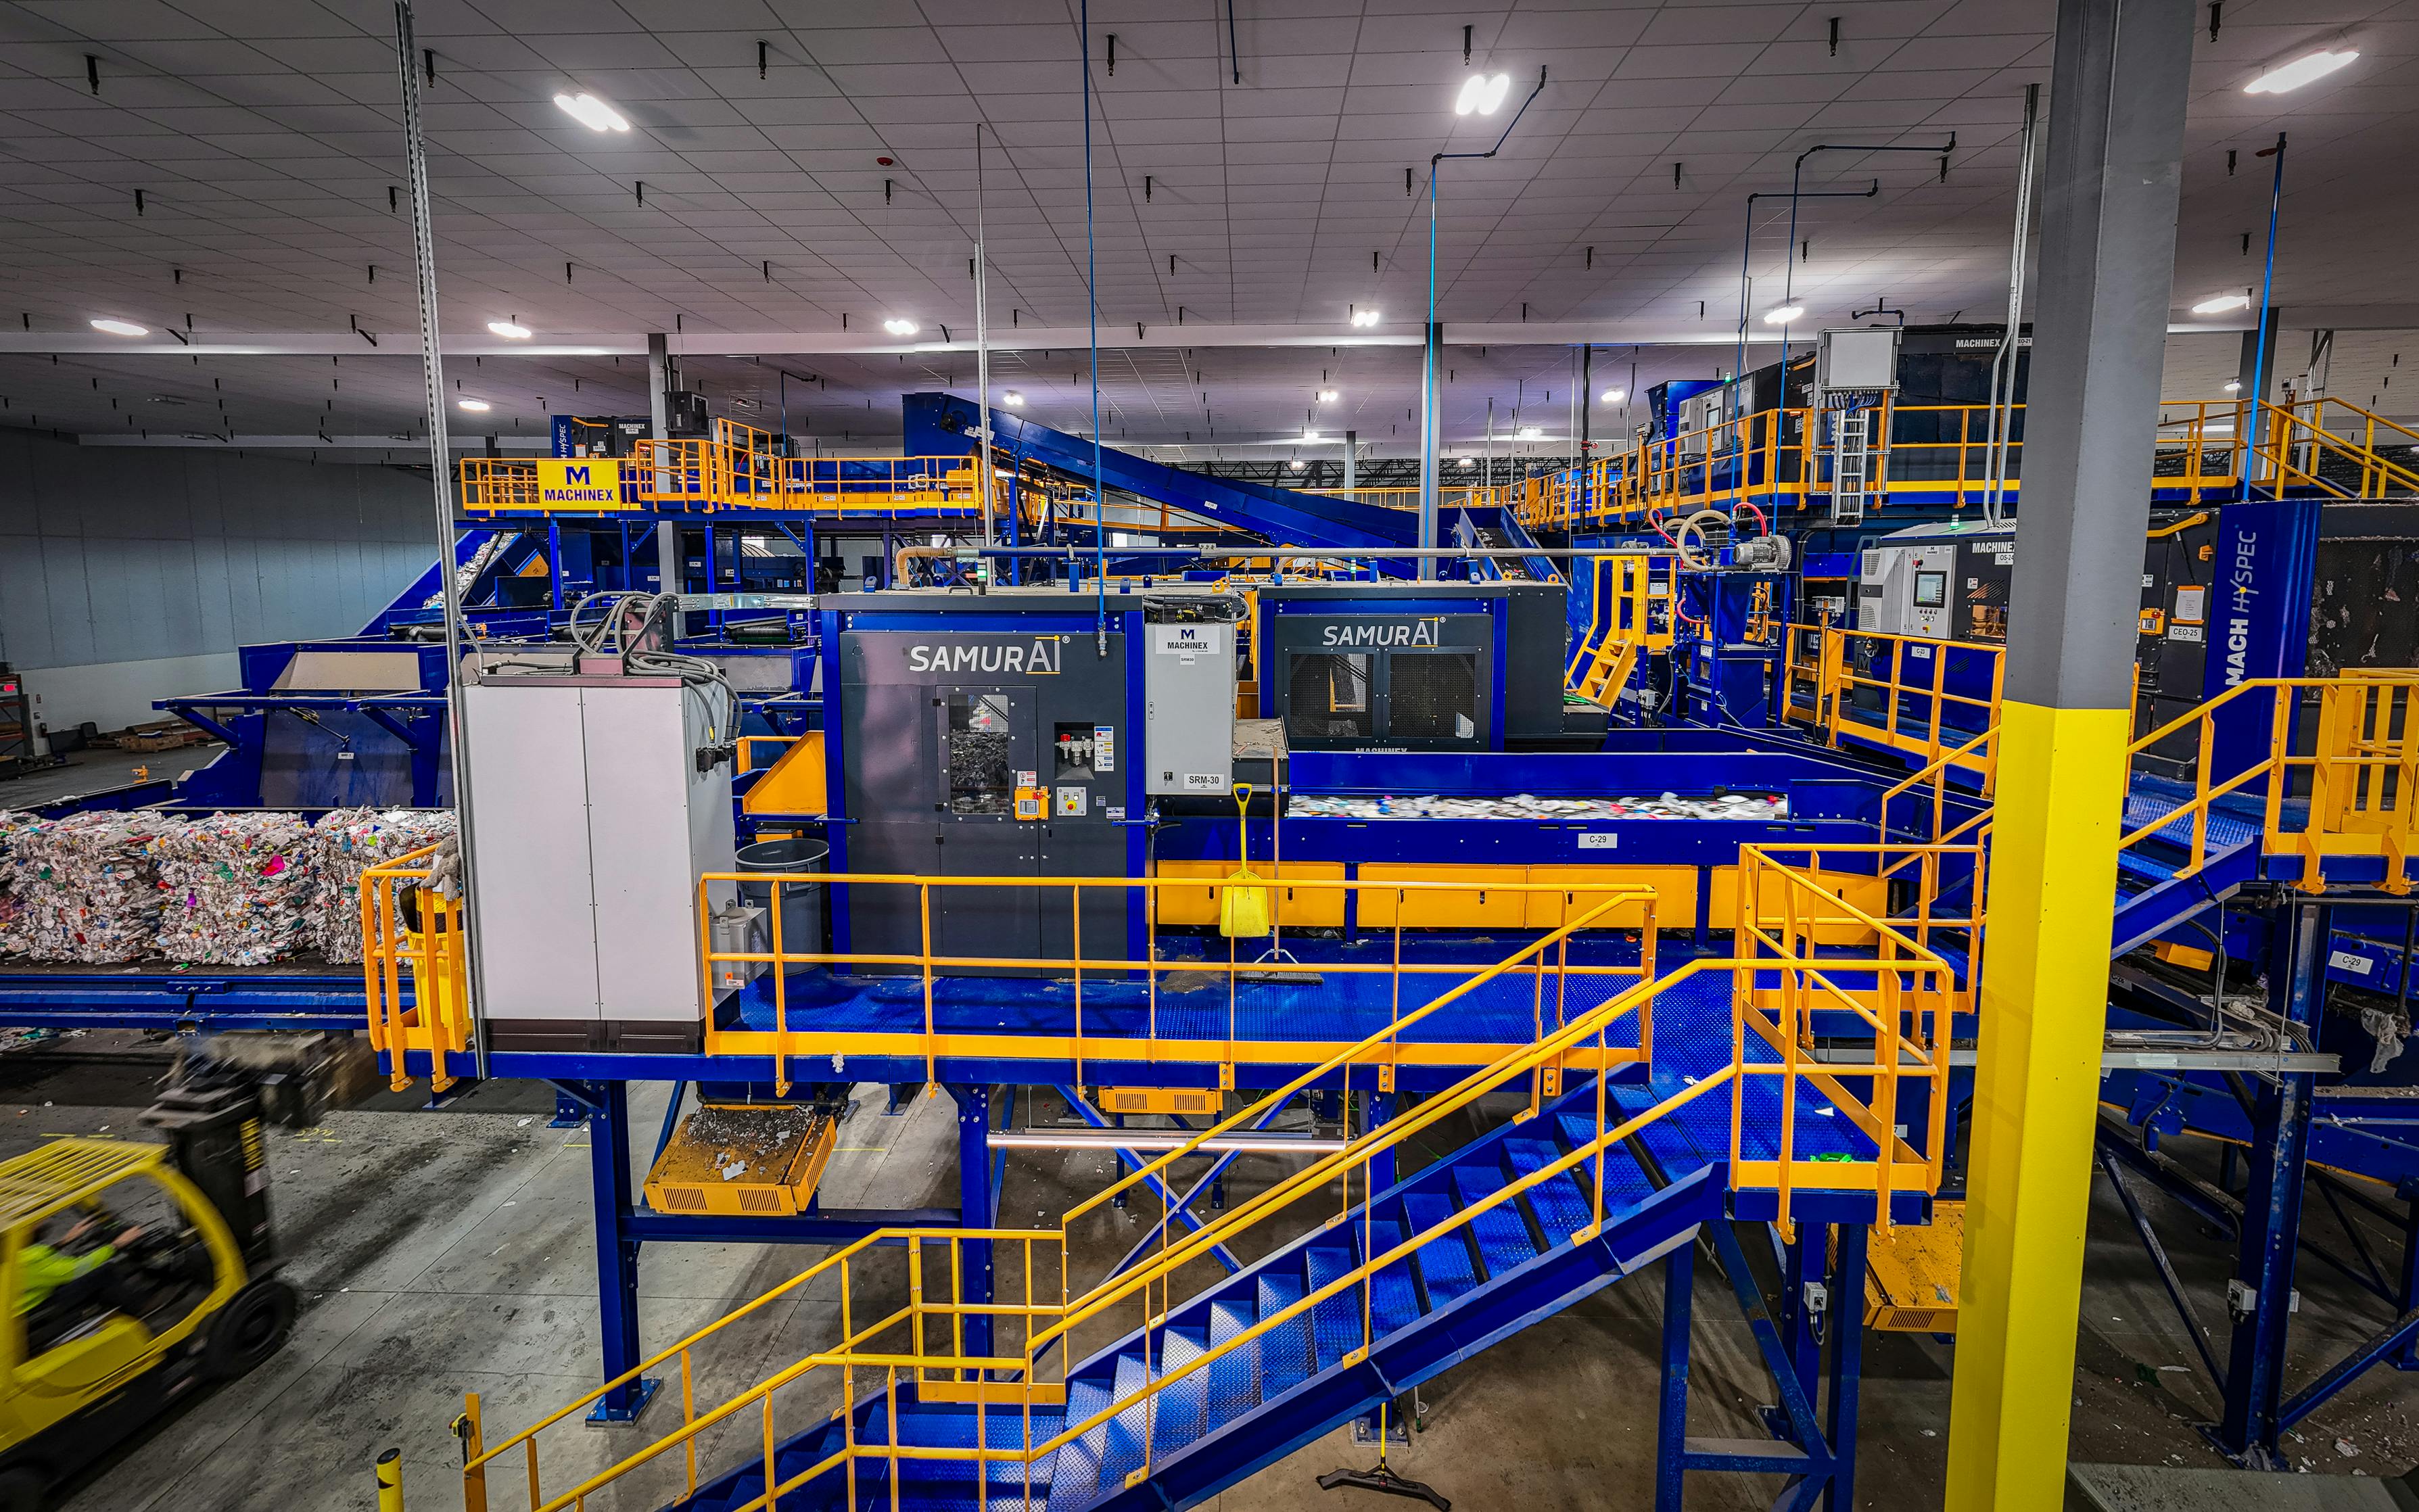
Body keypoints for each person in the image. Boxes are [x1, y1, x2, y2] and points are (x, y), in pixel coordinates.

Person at [18, 1212, 145, 1329]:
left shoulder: (13, 1255)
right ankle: (141, 1313)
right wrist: (116, 1245)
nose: (42, 1221)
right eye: (33, 1222)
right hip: (38, 1310)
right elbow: (79, 1268)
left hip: (32, 1299)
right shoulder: (27, 1263)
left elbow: (38, 1258)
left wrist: (65, 1241)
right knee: (105, 1272)